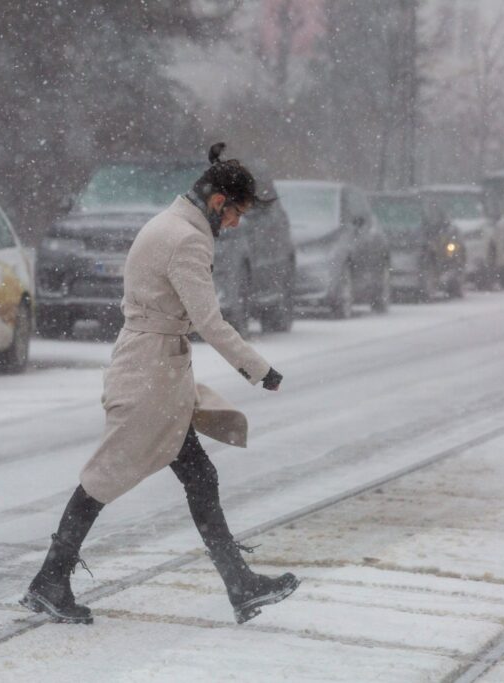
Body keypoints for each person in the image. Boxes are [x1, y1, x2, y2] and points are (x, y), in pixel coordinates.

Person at [21, 143, 299, 625]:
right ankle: (50, 579)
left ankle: (239, 584)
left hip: (158, 370)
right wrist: (259, 370)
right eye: (236, 214)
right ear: (218, 202)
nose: (235, 225)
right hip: (151, 375)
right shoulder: (186, 240)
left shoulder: (170, 225)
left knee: (199, 476)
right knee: (104, 477)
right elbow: (208, 320)